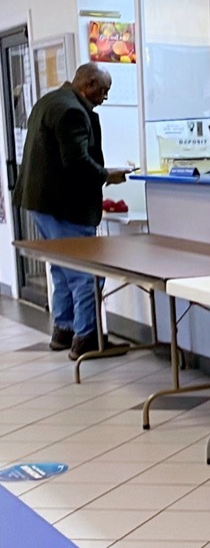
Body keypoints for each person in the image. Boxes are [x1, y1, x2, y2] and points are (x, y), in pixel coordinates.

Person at [13, 63, 129, 359]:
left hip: (39, 203)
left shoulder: (48, 101)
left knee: (61, 268)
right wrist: (107, 175)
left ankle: (63, 331)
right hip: (63, 205)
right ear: (88, 84)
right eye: (103, 91)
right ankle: (87, 339)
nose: (104, 97)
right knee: (86, 273)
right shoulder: (72, 111)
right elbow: (77, 163)